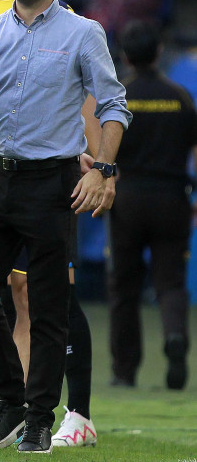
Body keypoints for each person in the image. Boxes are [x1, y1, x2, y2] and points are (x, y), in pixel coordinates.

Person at [0, 0, 131, 453]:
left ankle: (39, 416)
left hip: (53, 182)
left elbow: (113, 105)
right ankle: (9, 400)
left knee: (49, 306)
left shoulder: (84, 33)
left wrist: (103, 168)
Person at [109, 19, 196, 391]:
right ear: (159, 52)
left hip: (128, 198)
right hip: (172, 198)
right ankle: (175, 337)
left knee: (124, 288)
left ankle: (124, 372)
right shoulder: (180, 97)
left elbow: (104, 151)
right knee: (170, 281)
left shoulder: (119, 97)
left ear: (125, 55)